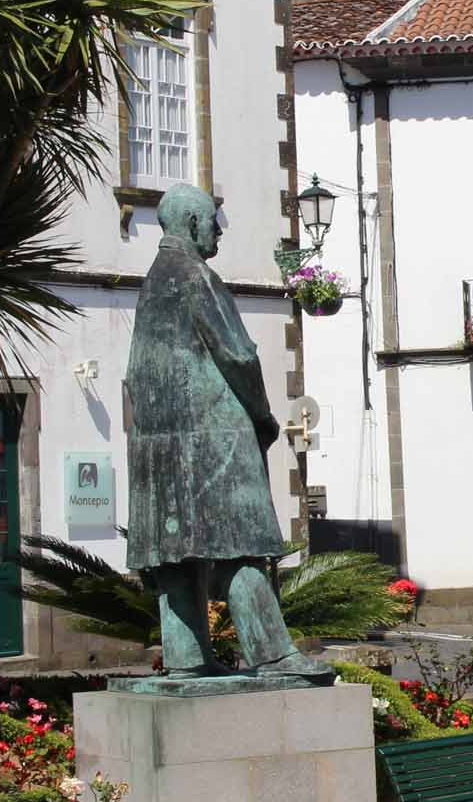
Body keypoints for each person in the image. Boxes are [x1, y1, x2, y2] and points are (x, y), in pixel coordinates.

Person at [125, 184, 332, 684]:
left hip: (158, 444)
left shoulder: (154, 282)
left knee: (177, 555)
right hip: (214, 435)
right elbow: (238, 354)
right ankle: (274, 654)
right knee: (240, 544)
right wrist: (261, 415)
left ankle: (186, 658)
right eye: (214, 220)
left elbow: (137, 374)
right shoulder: (198, 277)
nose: (218, 229)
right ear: (194, 223)